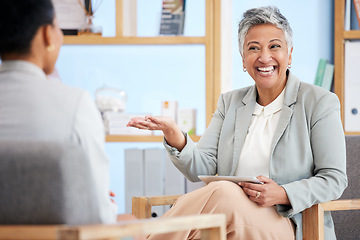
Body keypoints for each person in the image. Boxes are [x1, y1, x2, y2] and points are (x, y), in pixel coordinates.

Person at [127, 6, 347, 240]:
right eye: (254, 48)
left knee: (221, 192)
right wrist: (173, 133)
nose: (264, 57)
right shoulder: (230, 103)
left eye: (274, 46)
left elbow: (334, 179)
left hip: (290, 223)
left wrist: (282, 193)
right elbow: (201, 169)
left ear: (289, 54)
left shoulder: (319, 102)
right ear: (243, 59)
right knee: (220, 195)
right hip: (229, 218)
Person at [0, 0, 134, 224]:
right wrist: (101, 202)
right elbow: (100, 217)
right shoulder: (75, 103)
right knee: (131, 222)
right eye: (57, 27)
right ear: (46, 35)